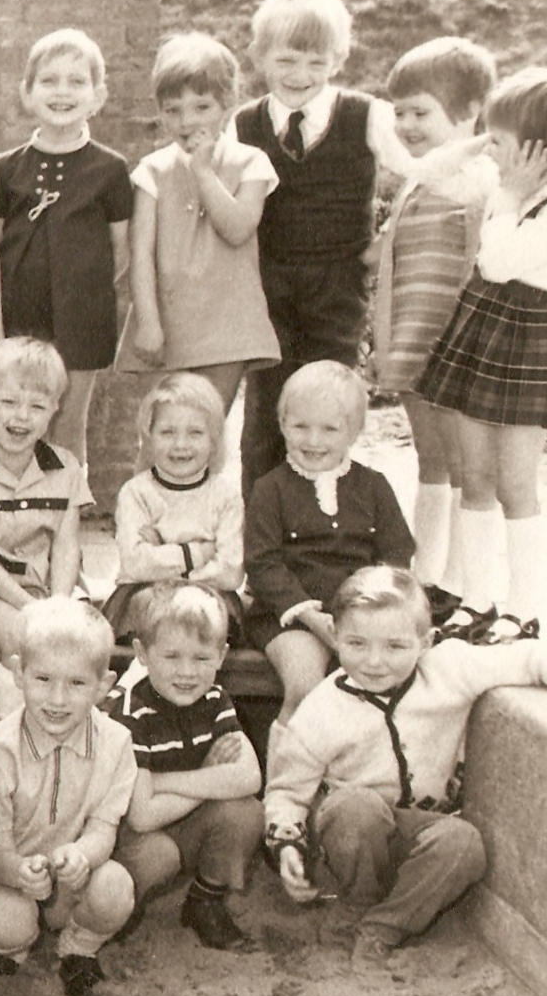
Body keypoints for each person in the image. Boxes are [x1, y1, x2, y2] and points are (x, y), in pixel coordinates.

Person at [265, 566, 547, 964]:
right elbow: (286, 790)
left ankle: (384, 926)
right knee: (355, 807)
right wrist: (286, 845)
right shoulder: (321, 708)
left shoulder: (449, 669)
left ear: (426, 641)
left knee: (463, 843)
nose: (375, 661)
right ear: (335, 636)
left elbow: (523, 659)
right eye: (357, 643)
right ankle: (355, 904)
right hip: (351, 844)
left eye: (395, 647)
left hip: (417, 827)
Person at [417, 68, 547, 646]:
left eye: (500, 142)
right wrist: (487, 144)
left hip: (530, 336)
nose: (488, 153)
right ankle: (478, 598)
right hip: (487, 328)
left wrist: (512, 194)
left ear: (538, 151)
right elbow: (427, 171)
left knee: (516, 482)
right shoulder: (510, 188)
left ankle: (523, 607)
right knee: (475, 477)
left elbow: (497, 262)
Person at [233, 0, 412, 491]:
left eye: (316, 63)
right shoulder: (244, 123)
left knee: (329, 410)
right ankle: (263, 543)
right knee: (267, 415)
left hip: (338, 287)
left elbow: (416, 174)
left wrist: (387, 237)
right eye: (287, 61)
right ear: (260, 58)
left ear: (339, 59)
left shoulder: (366, 114)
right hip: (269, 286)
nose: (300, 76)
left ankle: (327, 529)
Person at [370, 38, 496, 626]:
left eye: (421, 111)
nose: (406, 124)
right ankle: (429, 578)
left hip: (458, 345)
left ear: (470, 111)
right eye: (399, 112)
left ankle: (469, 585)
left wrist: (483, 136)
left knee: (466, 464)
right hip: (418, 341)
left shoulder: (474, 175)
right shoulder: (422, 180)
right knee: (431, 459)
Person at [0, 597, 137, 996]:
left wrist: (83, 855)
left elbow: (103, 828)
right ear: (19, 674)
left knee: (115, 886)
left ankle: (79, 946)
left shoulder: (116, 743)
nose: (57, 700)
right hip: (11, 880)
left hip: (73, 883)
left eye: (77, 684)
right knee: (7, 924)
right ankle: (9, 951)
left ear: (104, 686)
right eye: (43, 680)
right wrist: (18, 872)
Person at [117, 32, 281, 410]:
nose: (187, 121)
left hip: (227, 323)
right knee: (160, 430)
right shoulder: (152, 170)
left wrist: (204, 173)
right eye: (172, 110)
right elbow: (140, 253)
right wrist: (148, 323)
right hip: (168, 325)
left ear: (227, 103)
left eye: (201, 107)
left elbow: (238, 229)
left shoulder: (250, 162)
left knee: (205, 430)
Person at [0, 29, 134, 465]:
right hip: (19, 316)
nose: (62, 92)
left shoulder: (110, 170)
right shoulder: (4, 168)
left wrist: (78, 290)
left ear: (98, 95)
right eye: (49, 81)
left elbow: (120, 252)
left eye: (77, 82)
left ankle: (63, 517)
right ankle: (7, 515)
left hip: (82, 320)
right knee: (13, 416)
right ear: (27, 93)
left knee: (67, 422)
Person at [244, 361, 414, 722]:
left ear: (352, 432)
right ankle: (289, 777)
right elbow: (262, 563)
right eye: (300, 426)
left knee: (384, 681)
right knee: (305, 686)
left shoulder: (374, 487)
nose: (313, 440)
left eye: (329, 428)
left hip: (362, 616)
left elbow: (397, 554)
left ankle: (358, 770)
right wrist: (309, 615)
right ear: (282, 425)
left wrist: (372, 610)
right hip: (288, 617)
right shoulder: (269, 489)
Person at [104, 582, 260, 951]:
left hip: (173, 815)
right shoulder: (130, 711)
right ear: (141, 653)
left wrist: (162, 780)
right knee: (160, 854)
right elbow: (141, 816)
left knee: (247, 813)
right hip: (128, 837)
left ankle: (204, 900)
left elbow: (250, 777)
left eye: (202, 658)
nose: (187, 672)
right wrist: (210, 773)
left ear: (221, 656)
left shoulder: (216, 698)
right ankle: (118, 908)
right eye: (171, 657)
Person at [0, 337, 91, 671]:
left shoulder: (67, 468)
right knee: (25, 636)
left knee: (90, 638)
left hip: (57, 591)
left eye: (37, 406)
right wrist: (35, 609)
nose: (22, 416)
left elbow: (66, 547)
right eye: (8, 401)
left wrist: (59, 604)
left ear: (55, 409)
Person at [105, 372, 245, 643]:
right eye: (167, 432)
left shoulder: (225, 496)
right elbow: (136, 564)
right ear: (148, 436)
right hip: (143, 595)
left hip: (210, 595)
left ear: (214, 439)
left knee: (200, 615)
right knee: (159, 614)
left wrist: (163, 555)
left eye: (195, 433)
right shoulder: (136, 493)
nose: (180, 445)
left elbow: (230, 572)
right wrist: (198, 552)